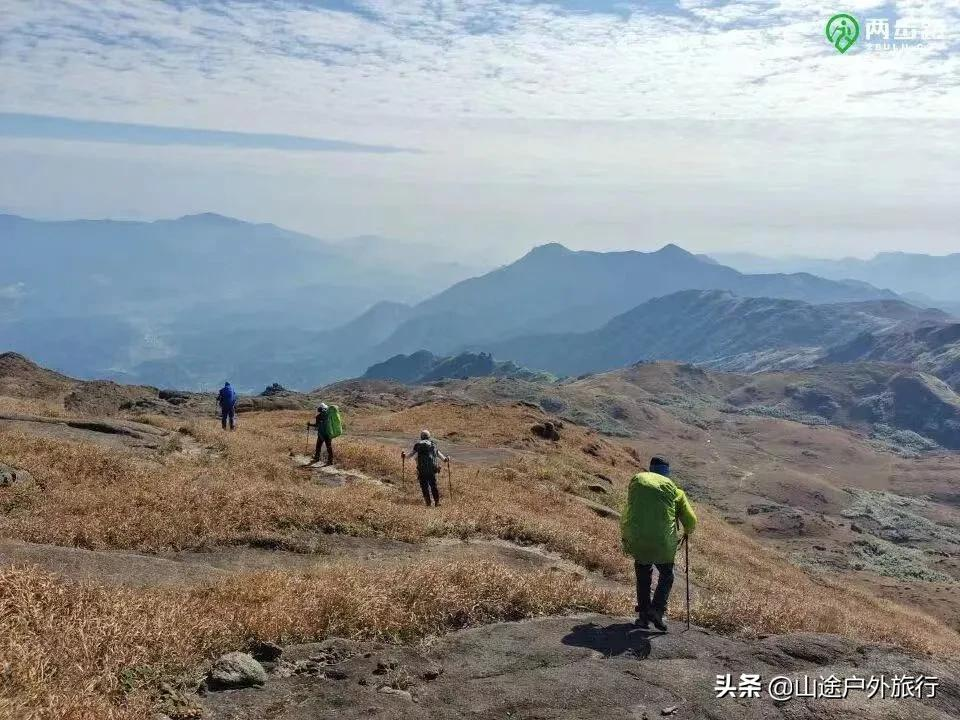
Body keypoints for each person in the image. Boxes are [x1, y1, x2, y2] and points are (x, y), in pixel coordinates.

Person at [620, 456, 697, 631]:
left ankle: (643, 616)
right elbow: (691, 521)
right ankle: (657, 610)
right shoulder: (676, 492)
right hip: (662, 543)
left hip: (638, 540)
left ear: (651, 470)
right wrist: (687, 531)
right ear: (666, 472)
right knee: (667, 575)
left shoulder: (639, 486)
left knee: (643, 574)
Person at [404, 430, 448, 507]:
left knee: (424, 486)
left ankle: (428, 503)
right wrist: (447, 459)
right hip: (432, 470)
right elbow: (442, 457)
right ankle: (437, 503)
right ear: (429, 437)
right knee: (433, 486)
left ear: (421, 437)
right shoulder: (433, 445)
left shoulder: (417, 445)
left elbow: (409, 455)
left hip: (421, 470)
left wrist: (404, 456)